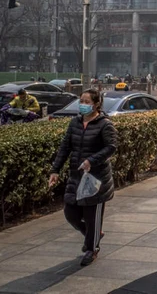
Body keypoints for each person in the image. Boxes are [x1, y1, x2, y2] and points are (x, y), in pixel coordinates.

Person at [49, 89, 118, 267]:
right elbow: (65, 147)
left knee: (91, 215)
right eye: (81, 100)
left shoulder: (105, 124)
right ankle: (92, 234)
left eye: (87, 101)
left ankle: (92, 248)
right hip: (76, 175)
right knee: (70, 213)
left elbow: (111, 147)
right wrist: (55, 170)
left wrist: (91, 161)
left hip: (96, 178)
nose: (83, 104)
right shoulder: (75, 123)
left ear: (96, 104)